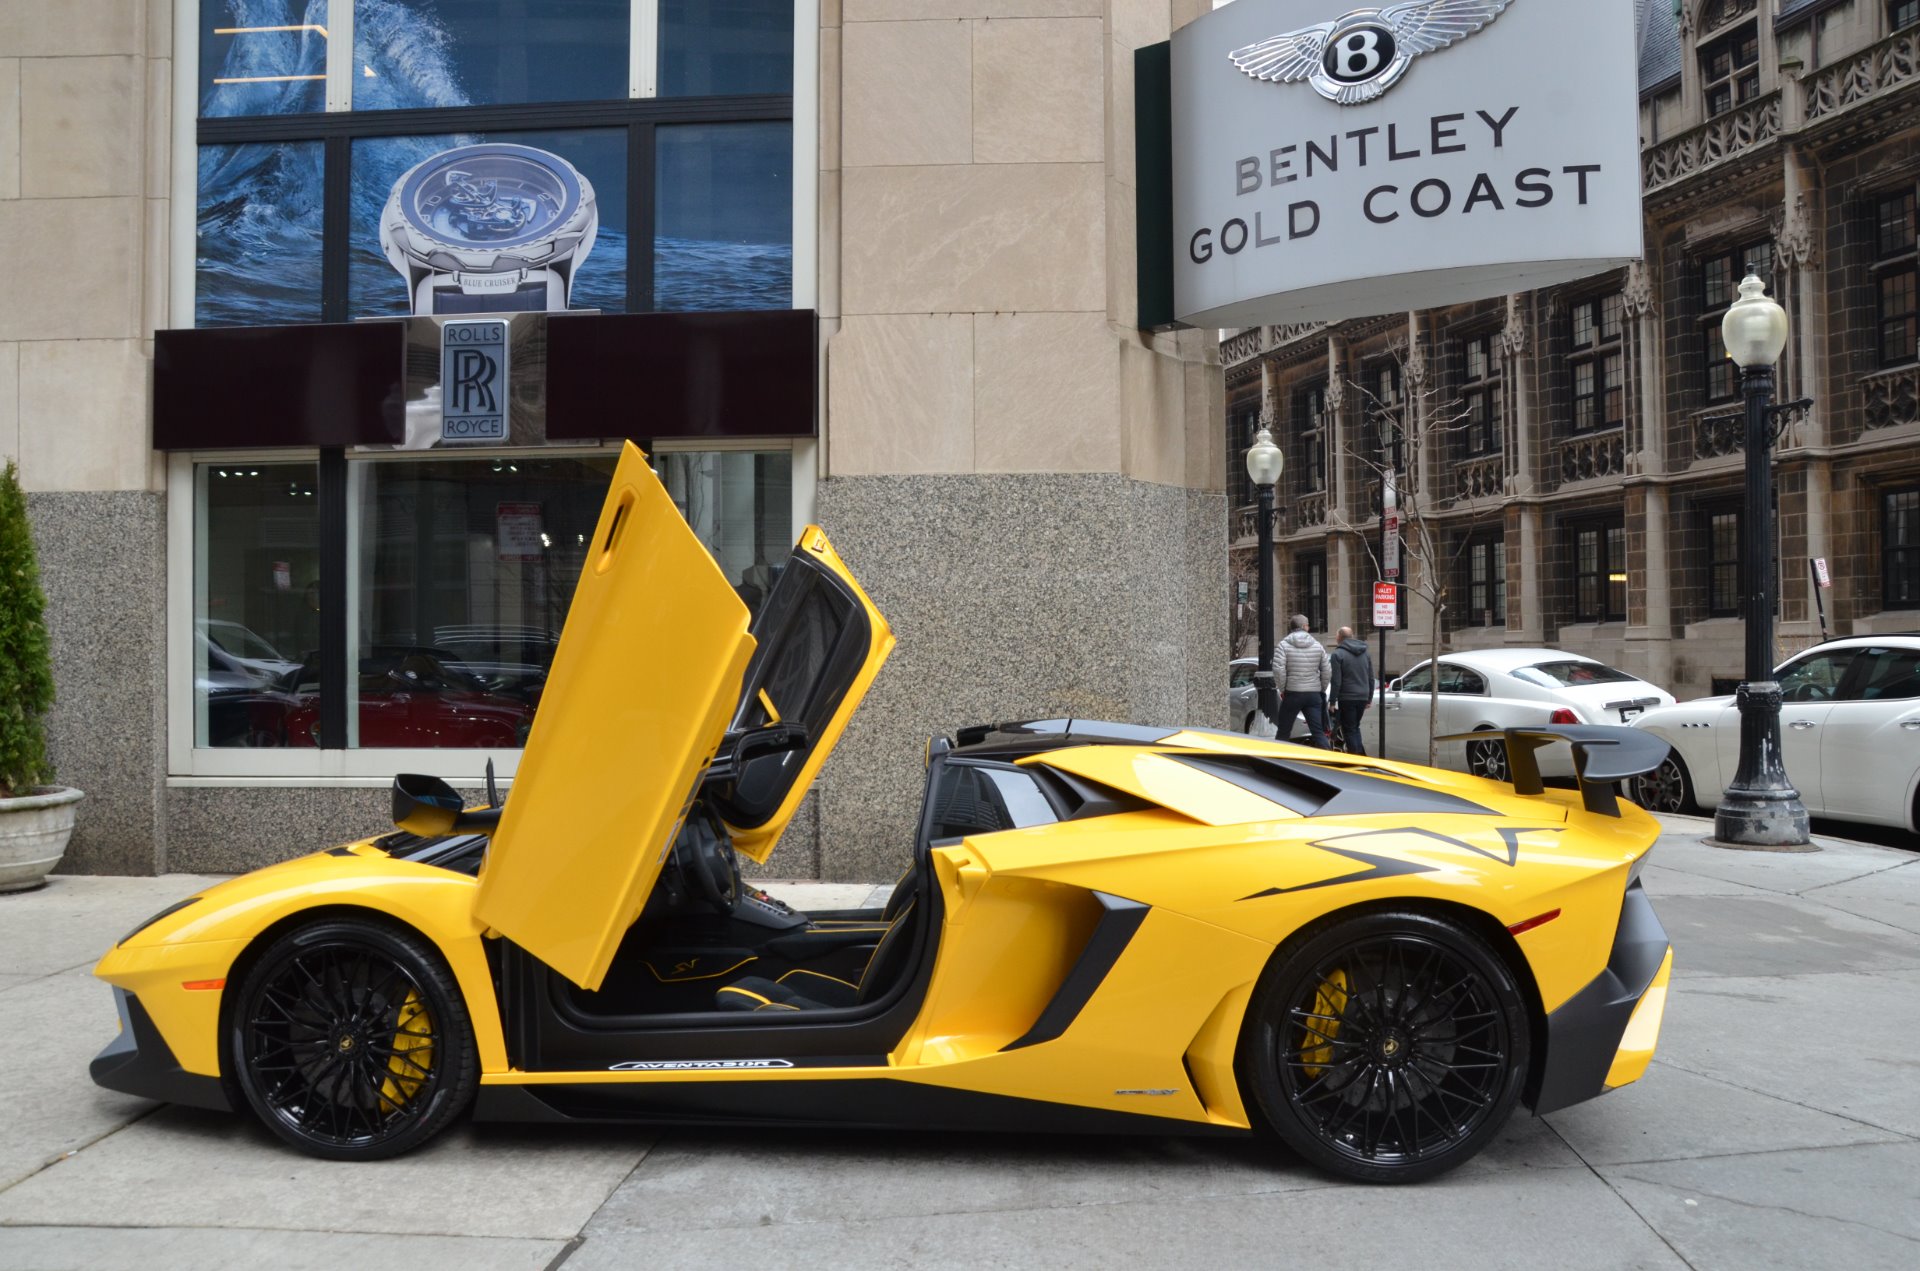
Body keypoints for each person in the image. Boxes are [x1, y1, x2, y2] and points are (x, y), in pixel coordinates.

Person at [1272, 614, 1332, 749]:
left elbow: (1278, 669)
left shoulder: (1283, 645)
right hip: (1313, 694)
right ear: (1304, 627)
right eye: (1308, 625)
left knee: (1283, 731)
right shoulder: (1318, 646)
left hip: (1293, 693)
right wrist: (1321, 688)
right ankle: (1329, 760)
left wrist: (1283, 689)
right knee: (1318, 732)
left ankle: (1278, 760)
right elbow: (1327, 670)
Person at [1328, 626, 1376, 756]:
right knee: (1354, 727)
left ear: (1339, 638)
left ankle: (1355, 757)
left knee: (1349, 729)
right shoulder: (1365, 652)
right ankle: (1360, 756)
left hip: (1347, 697)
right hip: (1363, 696)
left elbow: (1336, 681)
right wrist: (1369, 698)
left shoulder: (1337, 654)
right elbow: (1371, 677)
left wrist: (1332, 701)